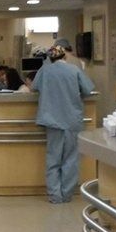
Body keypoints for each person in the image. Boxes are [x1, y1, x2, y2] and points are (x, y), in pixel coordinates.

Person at [31, 45, 95, 204]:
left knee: (53, 159)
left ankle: (55, 195)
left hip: (52, 120)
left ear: (50, 58)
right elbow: (87, 90)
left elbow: (34, 87)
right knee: (71, 159)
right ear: (65, 57)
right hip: (72, 119)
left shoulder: (44, 71)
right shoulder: (74, 70)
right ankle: (67, 194)